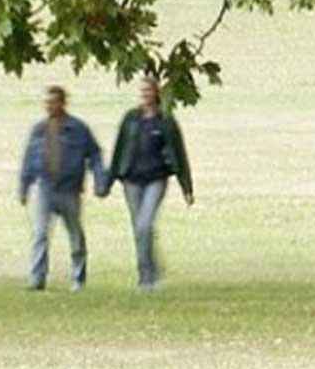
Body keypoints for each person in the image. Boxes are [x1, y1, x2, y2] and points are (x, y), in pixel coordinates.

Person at [17, 85, 108, 291]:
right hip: (45, 188)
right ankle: (37, 279)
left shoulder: (78, 129)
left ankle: (78, 278)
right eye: (46, 102)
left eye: (53, 102)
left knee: (75, 235)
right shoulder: (39, 130)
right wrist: (24, 186)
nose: (49, 106)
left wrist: (99, 180)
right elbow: (29, 159)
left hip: (70, 190)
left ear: (63, 103)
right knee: (40, 234)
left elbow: (94, 155)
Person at [107, 76, 194, 290]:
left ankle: (146, 278)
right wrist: (108, 181)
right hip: (132, 180)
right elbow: (119, 150)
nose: (145, 95)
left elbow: (179, 153)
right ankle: (151, 268)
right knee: (139, 229)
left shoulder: (165, 120)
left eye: (149, 91)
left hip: (156, 179)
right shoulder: (130, 118)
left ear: (156, 93)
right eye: (142, 91)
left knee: (144, 225)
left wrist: (186, 187)